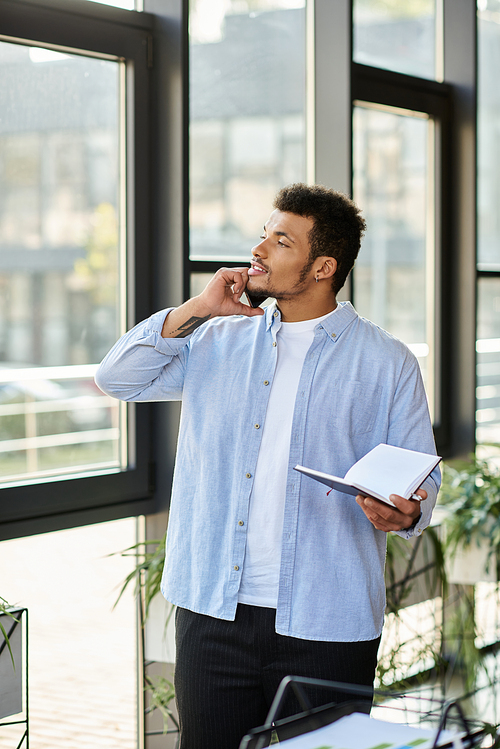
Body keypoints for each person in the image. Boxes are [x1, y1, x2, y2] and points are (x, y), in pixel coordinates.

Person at [95, 183, 440, 749]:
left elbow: (421, 477)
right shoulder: (218, 338)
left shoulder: (386, 361)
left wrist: (401, 512)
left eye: (281, 241)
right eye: (264, 234)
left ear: (323, 265)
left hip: (328, 620)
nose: (260, 249)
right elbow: (118, 378)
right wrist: (200, 307)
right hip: (213, 612)